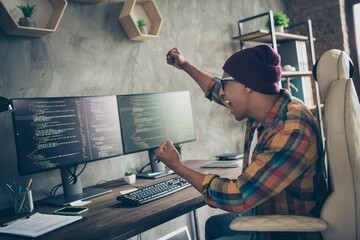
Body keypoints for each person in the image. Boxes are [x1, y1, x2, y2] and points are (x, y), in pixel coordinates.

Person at [155, 45, 327, 240]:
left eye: (225, 84)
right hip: (266, 209)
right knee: (215, 224)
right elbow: (217, 90)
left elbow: (238, 196)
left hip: (287, 232)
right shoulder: (266, 105)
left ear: (247, 85)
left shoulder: (291, 129)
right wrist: (185, 65)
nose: (222, 93)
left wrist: (177, 166)